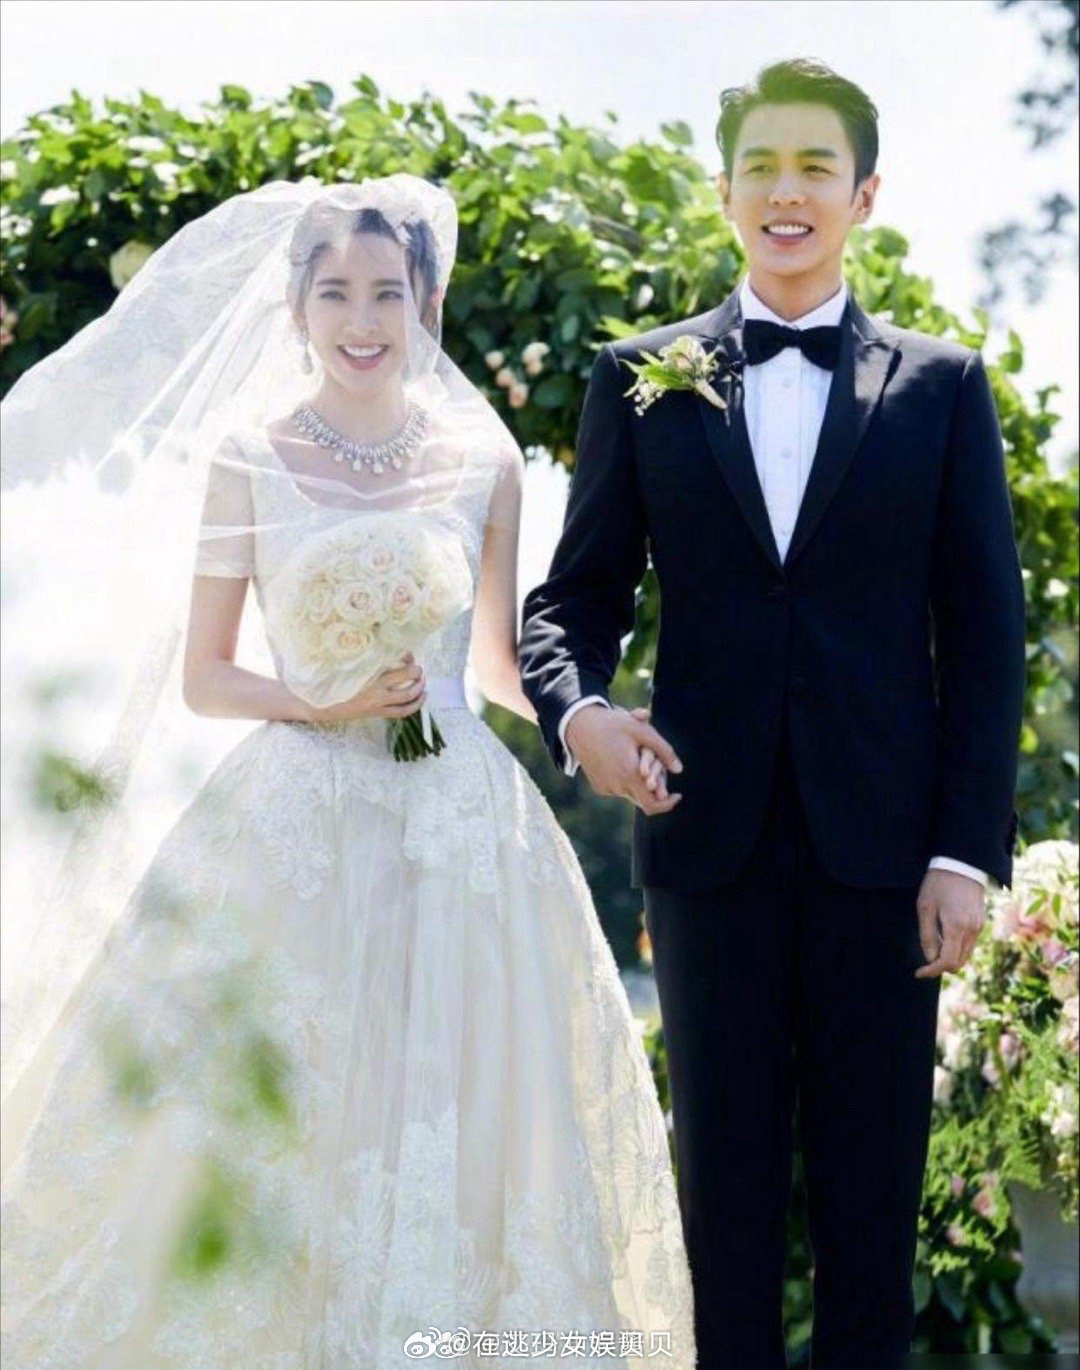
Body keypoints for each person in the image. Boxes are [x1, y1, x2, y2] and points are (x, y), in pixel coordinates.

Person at [0, 176, 695, 1367]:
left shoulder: (482, 461)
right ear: (297, 308)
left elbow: (491, 658)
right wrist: (315, 702)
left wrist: (585, 717)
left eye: (386, 292)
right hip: (296, 824)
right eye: (335, 293)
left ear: (425, 303)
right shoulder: (248, 457)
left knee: (465, 1114)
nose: (362, 318)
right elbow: (207, 673)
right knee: (279, 1112)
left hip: (458, 829)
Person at [519, 59, 1026, 1370]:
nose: (785, 192)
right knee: (720, 1219)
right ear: (724, 189)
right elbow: (569, 602)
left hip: (887, 863)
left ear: (864, 194)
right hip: (708, 851)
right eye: (761, 166)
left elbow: (984, 640)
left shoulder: (943, 386)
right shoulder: (641, 377)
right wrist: (580, 715)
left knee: (871, 1217)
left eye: (815, 167)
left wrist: (963, 851)